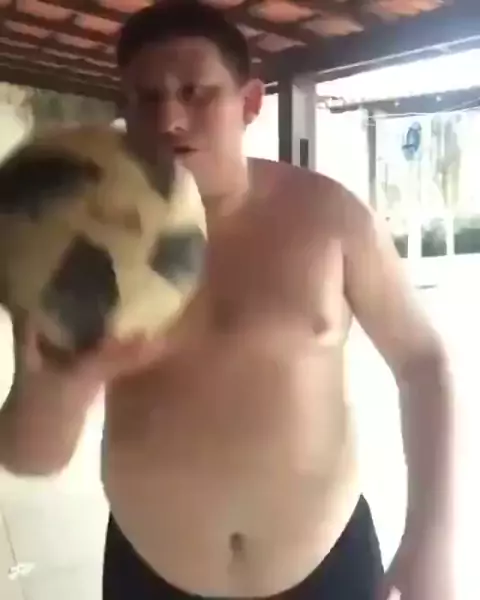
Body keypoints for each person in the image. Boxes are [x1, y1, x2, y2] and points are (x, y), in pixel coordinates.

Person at [0, 2, 456, 599]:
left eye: (195, 92)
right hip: (152, 575)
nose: (169, 118)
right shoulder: (81, 244)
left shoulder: (331, 218)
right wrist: (68, 385)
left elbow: (422, 363)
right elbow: (30, 456)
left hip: (327, 570)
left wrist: (432, 534)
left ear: (249, 103)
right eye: (146, 98)